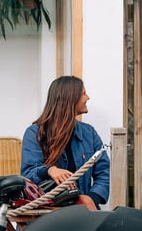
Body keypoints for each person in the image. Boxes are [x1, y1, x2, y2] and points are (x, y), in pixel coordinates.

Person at [21, 76, 110, 210]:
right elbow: (28, 173)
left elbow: (104, 172)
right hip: (44, 214)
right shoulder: (34, 133)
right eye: (83, 93)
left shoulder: (89, 133)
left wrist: (91, 198)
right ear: (70, 99)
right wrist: (50, 170)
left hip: (82, 214)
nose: (88, 97)